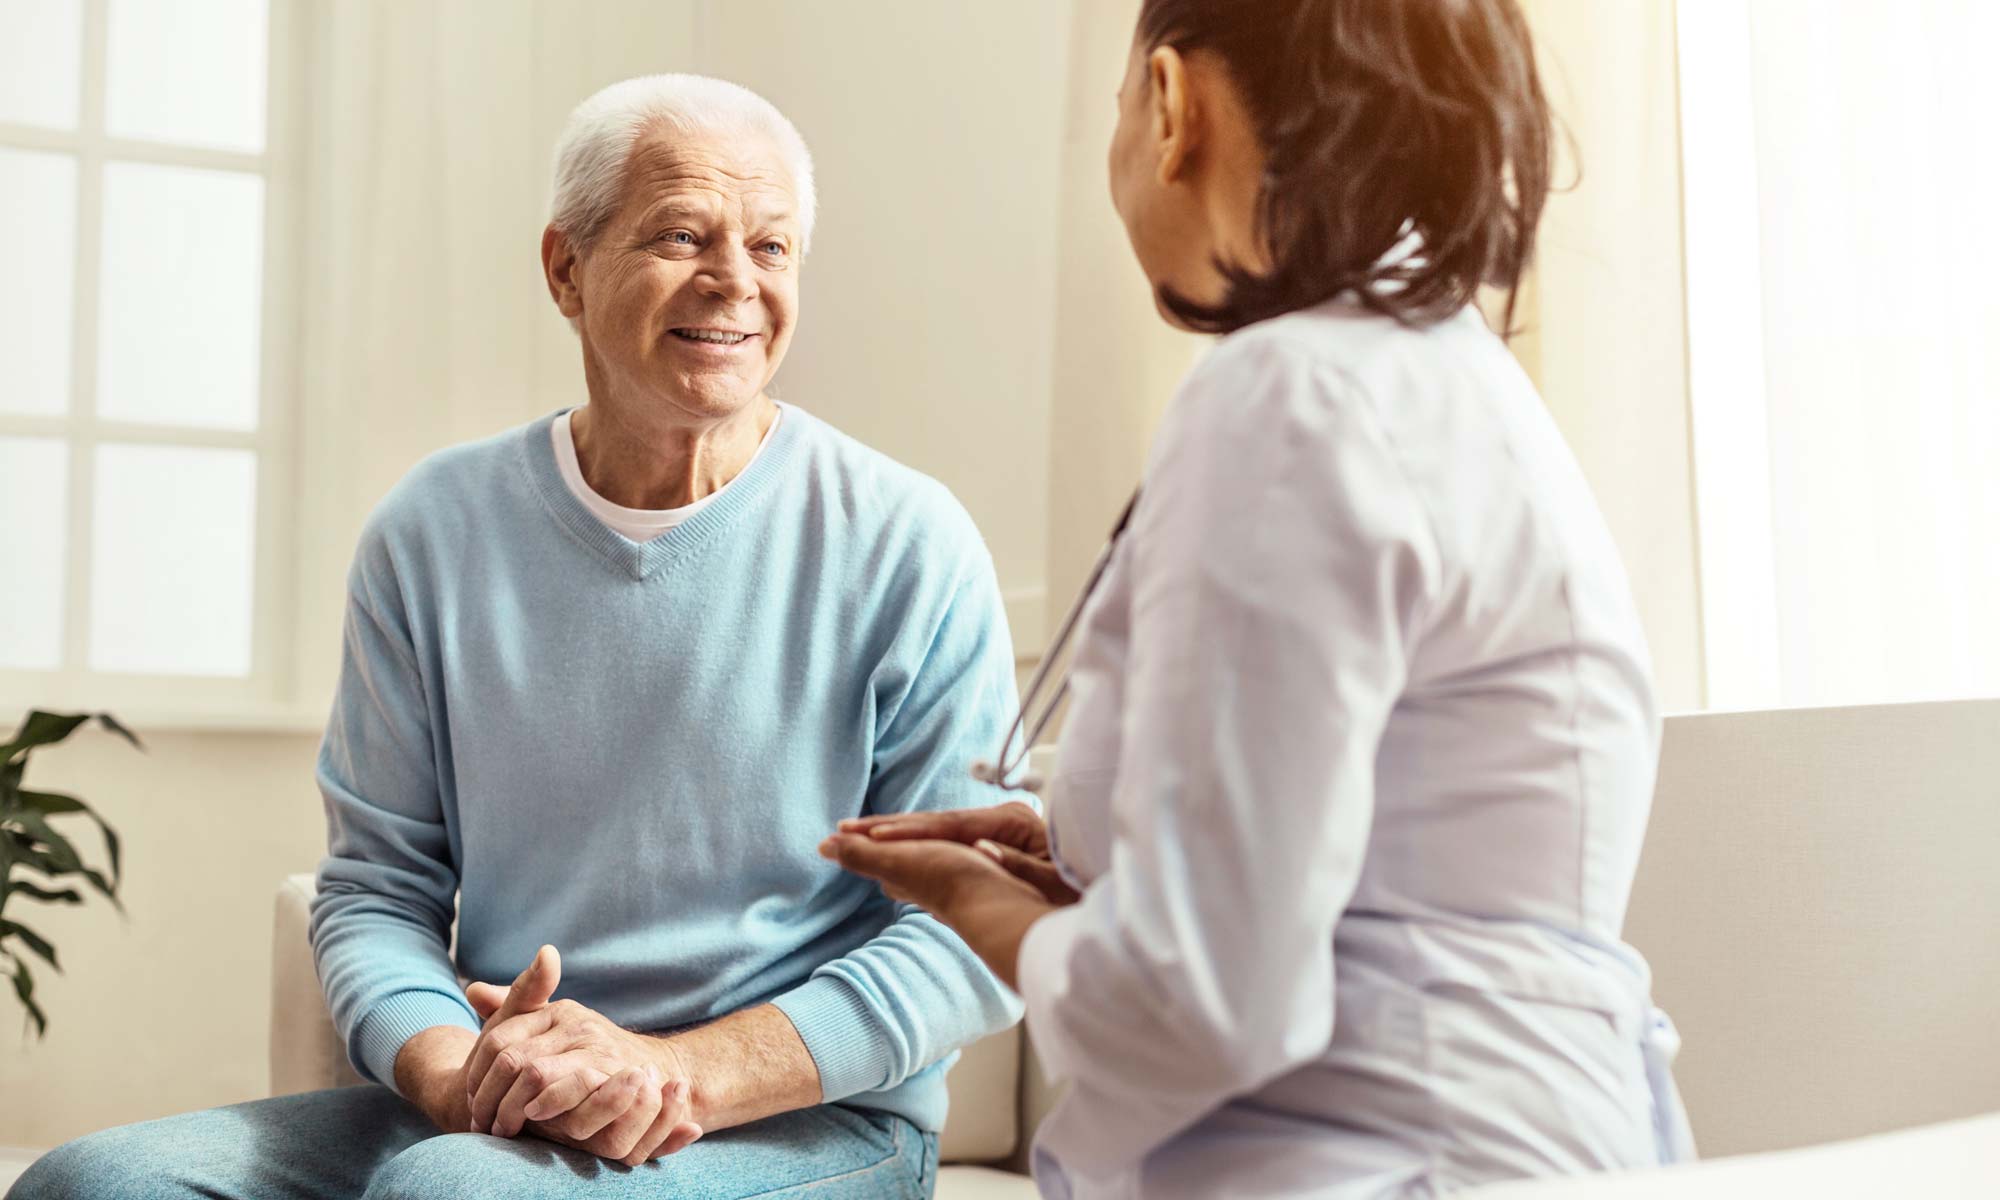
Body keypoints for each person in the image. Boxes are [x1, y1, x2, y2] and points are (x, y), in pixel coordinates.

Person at [9, 74, 1020, 1200]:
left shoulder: (907, 542)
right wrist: (451, 1071)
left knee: (453, 1195)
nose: (734, 281)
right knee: (91, 1185)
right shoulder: (431, 531)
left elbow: (974, 932)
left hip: (806, 1125)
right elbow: (376, 890)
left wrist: (672, 1073)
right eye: (682, 234)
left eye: (772, 248)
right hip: (497, 1114)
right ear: (565, 269)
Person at [822, 1, 1696, 1196]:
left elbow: (1203, 1002)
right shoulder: (1440, 373)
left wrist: (991, 916)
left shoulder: (1289, 393)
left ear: (1171, 106)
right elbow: (1367, 846)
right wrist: (1091, 850)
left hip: (1373, 1163)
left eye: (1121, 110)